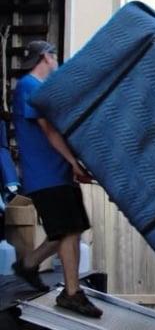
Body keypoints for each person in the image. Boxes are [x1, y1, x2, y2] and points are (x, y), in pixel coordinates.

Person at [11, 41, 102, 318]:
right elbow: (49, 131)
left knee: (71, 227)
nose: (56, 61)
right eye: (53, 56)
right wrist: (75, 163)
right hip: (45, 175)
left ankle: (28, 264)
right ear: (45, 57)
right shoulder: (29, 86)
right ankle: (71, 294)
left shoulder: (37, 88)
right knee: (69, 230)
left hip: (56, 174)